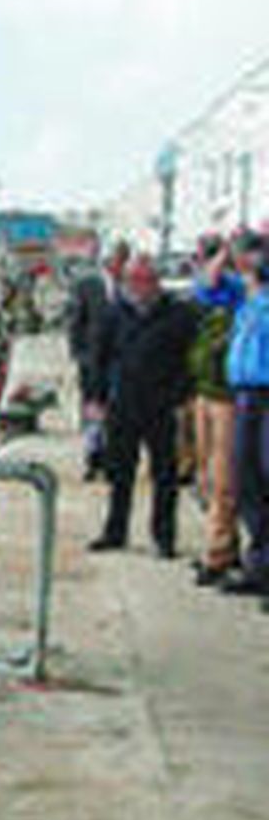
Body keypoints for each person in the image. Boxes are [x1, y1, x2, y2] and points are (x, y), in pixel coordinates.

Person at [87, 249, 196, 557]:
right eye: (133, 279)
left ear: (157, 281)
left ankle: (164, 538)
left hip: (162, 405)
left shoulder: (178, 314)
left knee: (165, 476)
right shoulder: (114, 312)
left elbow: (189, 359)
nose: (140, 285)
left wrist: (181, 395)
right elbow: (99, 357)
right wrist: (95, 397)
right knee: (120, 473)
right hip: (123, 403)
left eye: (147, 279)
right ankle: (115, 532)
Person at [187, 232, 244, 585]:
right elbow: (206, 285)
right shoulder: (224, 289)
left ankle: (218, 553)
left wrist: (232, 252)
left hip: (229, 397)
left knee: (224, 478)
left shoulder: (246, 291)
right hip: (205, 392)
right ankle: (225, 544)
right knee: (207, 474)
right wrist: (222, 253)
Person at [222, 230, 269, 596]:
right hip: (244, 395)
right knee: (245, 479)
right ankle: (259, 567)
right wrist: (224, 254)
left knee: (265, 478)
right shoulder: (247, 298)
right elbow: (207, 287)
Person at [66, 237, 129, 478]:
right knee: (93, 409)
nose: (120, 264)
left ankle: (113, 459)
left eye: (124, 258)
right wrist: (79, 354)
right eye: (117, 258)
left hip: (121, 362)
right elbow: (76, 323)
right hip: (93, 362)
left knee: (117, 412)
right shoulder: (88, 286)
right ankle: (94, 456)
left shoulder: (130, 287)